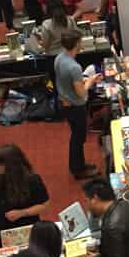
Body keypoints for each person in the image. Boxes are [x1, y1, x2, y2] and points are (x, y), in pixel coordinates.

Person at [55, 29, 102, 180]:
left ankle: (79, 165)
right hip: (76, 106)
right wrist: (90, 80)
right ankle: (78, 169)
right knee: (78, 138)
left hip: (65, 102)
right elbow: (81, 92)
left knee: (76, 136)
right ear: (77, 44)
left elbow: (66, 82)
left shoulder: (59, 58)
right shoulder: (74, 67)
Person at [0, 144, 49, 235]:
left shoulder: (32, 180)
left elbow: (44, 205)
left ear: (11, 165)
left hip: (24, 229)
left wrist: (22, 213)